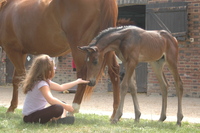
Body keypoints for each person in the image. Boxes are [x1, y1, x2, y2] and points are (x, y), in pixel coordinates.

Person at [21, 54, 89, 124]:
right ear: (48, 70)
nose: (54, 70)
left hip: (31, 115)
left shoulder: (41, 81)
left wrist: (77, 81)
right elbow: (51, 100)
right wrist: (66, 107)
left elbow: (61, 87)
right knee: (58, 108)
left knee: (61, 104)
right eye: (54, 68)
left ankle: (60, 120)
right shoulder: (42, 84)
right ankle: (58, 120)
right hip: (29, 118)